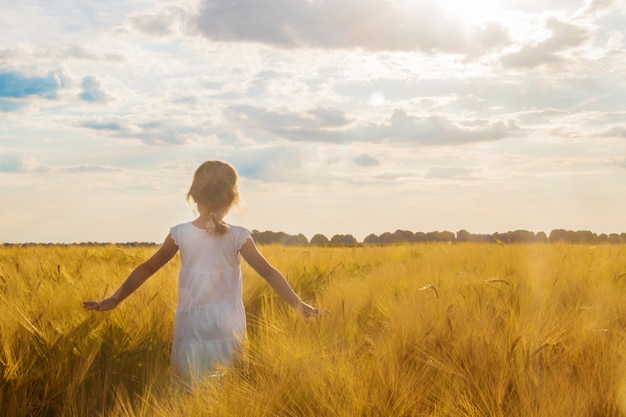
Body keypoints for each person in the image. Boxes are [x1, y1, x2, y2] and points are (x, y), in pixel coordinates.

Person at [83, 160, 319, 388]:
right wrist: (299, 304)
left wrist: (115, 298)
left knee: (189, 388)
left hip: (191, 326)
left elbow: (147, 267)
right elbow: (268, 272)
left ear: (194, 196)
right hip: (228, 327)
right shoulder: (239, 236)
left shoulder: (180, 233)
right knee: (230, 389)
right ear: (232, 199)